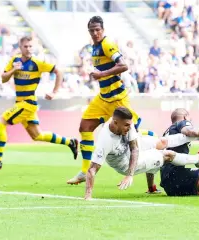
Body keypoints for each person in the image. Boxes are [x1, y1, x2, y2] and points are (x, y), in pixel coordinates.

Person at [0, 36, 78, 170]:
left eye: (30, 46)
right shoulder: (14, 61)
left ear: (34, 47)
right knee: (37, 136)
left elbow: (59, 71)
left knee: (0, 122)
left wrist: (54, 92)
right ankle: (70, 142)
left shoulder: (37, 63)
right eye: (25, 46)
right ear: (20, 48)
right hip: (21, 103)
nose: (28, 49)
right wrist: (14, 70)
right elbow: (3, 78)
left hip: (28, 103)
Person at [67, 16, 141, 185]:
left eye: (97, 29)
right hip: (103, 97)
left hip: (117, 99)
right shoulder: (94, 47)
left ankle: (146, 152)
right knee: (84, 127)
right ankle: (85, 171)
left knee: (134, 133)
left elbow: (123, 65)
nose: (95, 33)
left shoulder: (107, 44)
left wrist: (101, 74)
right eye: (92, 30)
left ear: (103, 30)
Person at [84, 107, 199, 200]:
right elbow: (92, 170)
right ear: (115, 122)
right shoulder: (105, 140)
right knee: (167, 154)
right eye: (126, 125)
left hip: (133, 151)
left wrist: (150, 187)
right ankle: (198, 158)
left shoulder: (126, 125)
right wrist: (88, 195)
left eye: (130, 125)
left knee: (162, 142)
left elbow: (135, 148)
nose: (130, 128)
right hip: (126, 164)